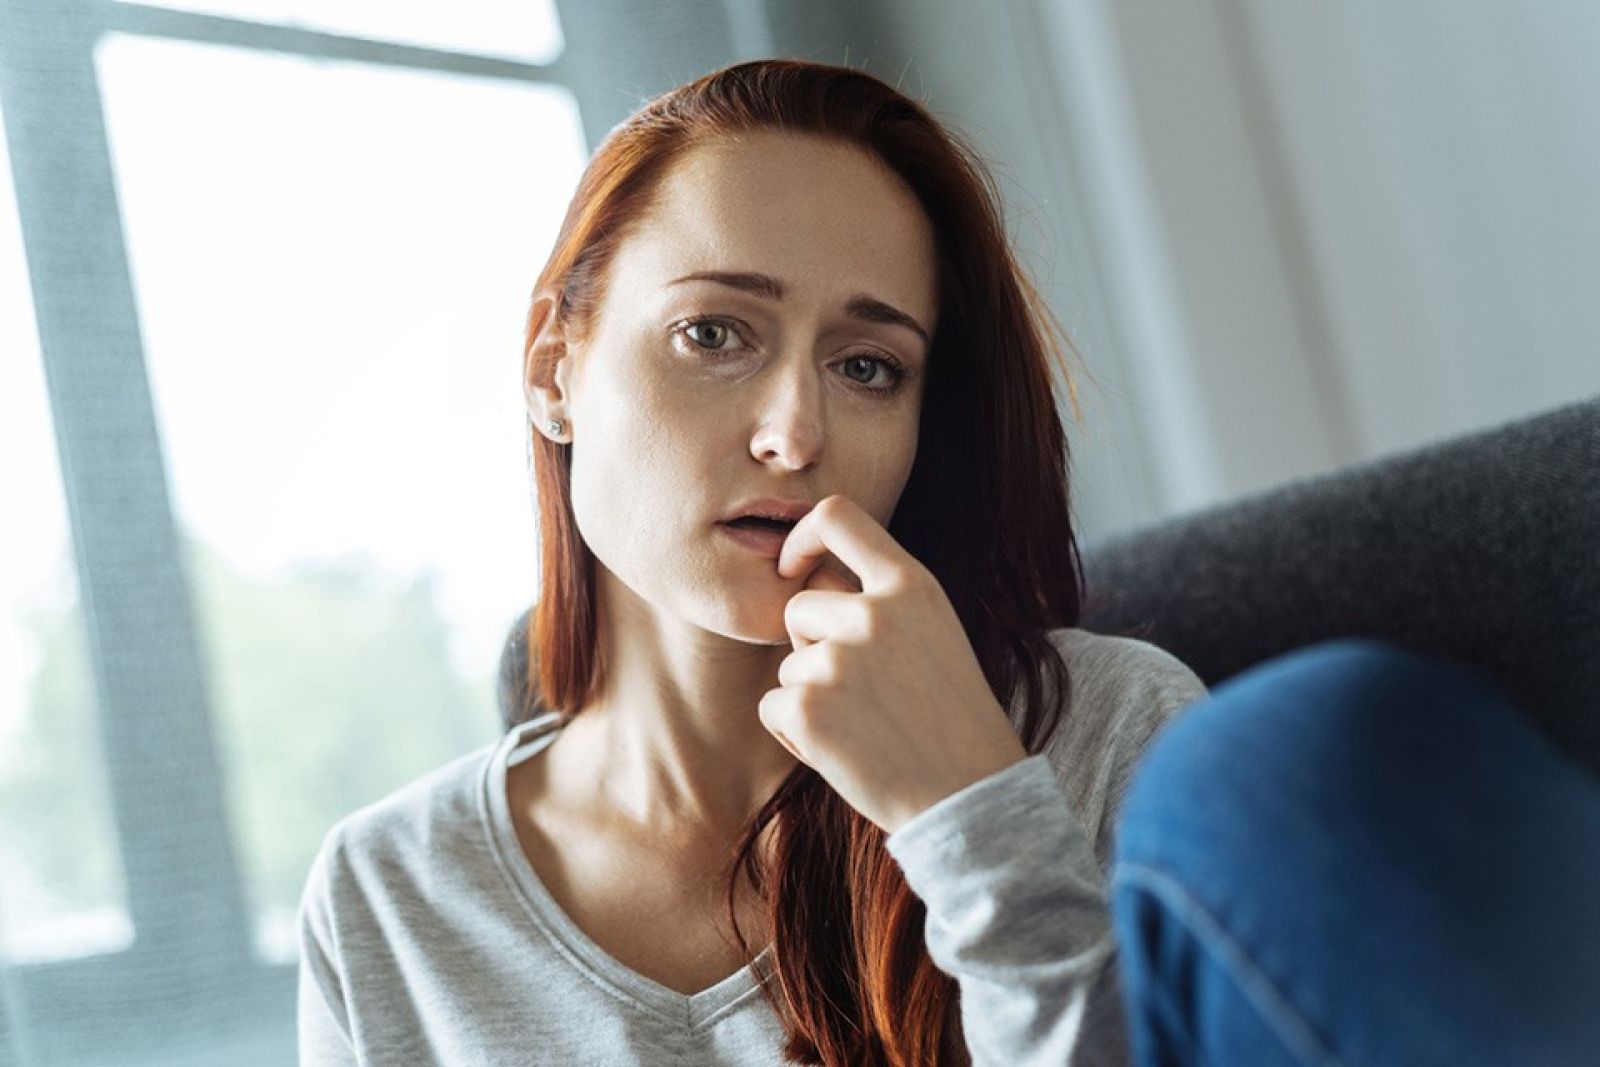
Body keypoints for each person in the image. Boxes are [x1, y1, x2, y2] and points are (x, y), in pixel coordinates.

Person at [294, 58, 1600, 1066]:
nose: (794, 430)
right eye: (714, 334)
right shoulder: (388, 896)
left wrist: (969, 815)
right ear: (553, 363)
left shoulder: (1102, 738)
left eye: (869, 367)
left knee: (1307, 749)